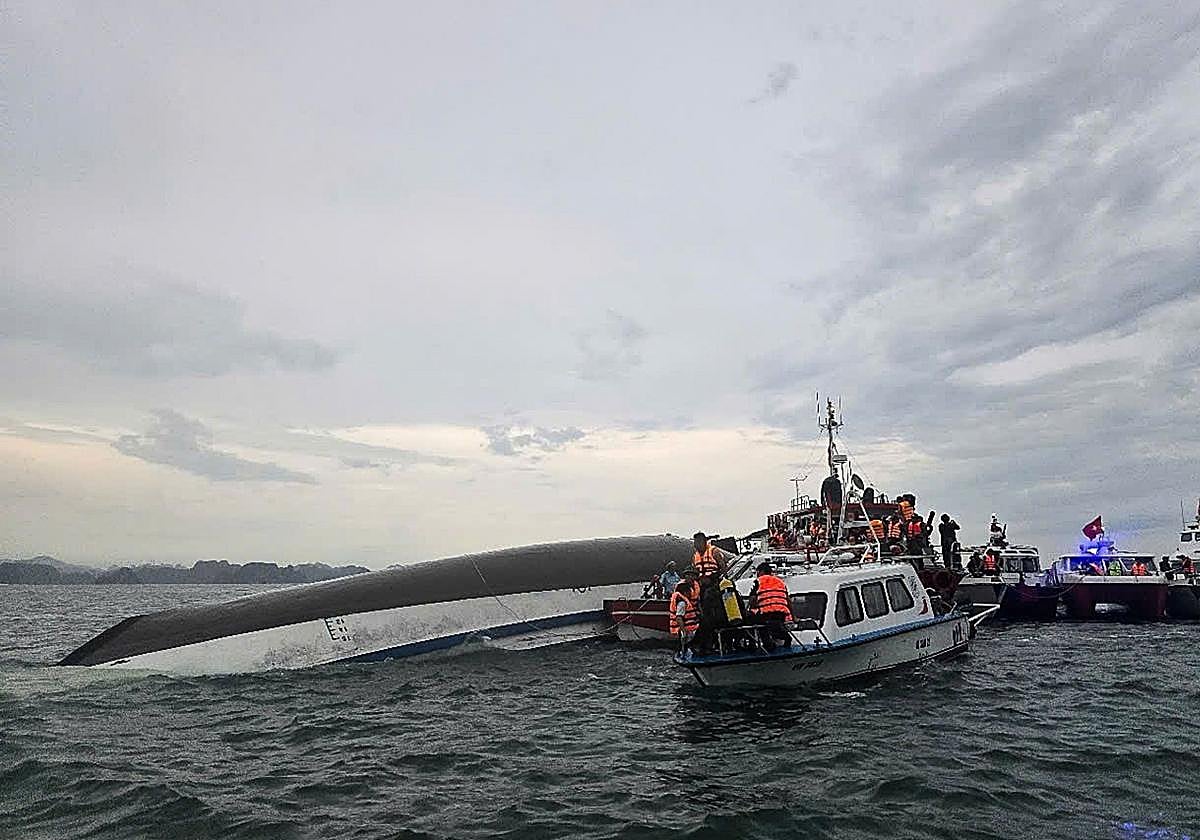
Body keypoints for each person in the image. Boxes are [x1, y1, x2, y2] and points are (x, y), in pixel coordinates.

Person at [747, 561, 793, 647]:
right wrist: (793, 617)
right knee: (775, 627)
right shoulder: (780, 582)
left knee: (753, 621)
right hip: (781, 613)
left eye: (757, 572)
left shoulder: (758, 581)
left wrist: (753, 607)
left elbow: (752, 600)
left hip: (766, 613)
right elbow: (788, 600)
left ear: (761, 572)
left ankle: (755, 644)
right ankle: (785, 639)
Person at [669, 579, 700, 647]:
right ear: (685, 592)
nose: (690, 594)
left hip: (690, 628)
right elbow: (679, 618)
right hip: (687, 630)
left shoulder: (683, 601)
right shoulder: (682, 603)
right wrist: (684, 631)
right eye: (689, 591)